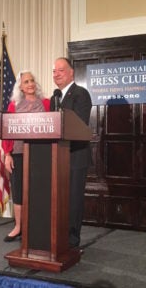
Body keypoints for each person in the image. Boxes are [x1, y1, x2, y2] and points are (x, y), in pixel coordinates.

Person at [2, 70, 50, 242]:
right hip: (18, 154)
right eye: (26, 82)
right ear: (20, 87)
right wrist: (7, 154)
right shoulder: (13, 106)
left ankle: (36, 228)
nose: (30, 84)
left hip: (40, 154)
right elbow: (7, 132)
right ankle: (18, 227)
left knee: (38, 191)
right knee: (18, 190)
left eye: (32, 81)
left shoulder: (46, 103)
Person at [50, 57, 92, 248]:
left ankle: (72, 241)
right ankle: (57, 236)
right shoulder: (54, 98)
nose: (56, 74)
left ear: (71, 72)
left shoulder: (81, 94)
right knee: (58, 199)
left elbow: (79, 124)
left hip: (75, 155)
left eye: (60, 70)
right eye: (54, 71)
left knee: (73, 199)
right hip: (56, 157)